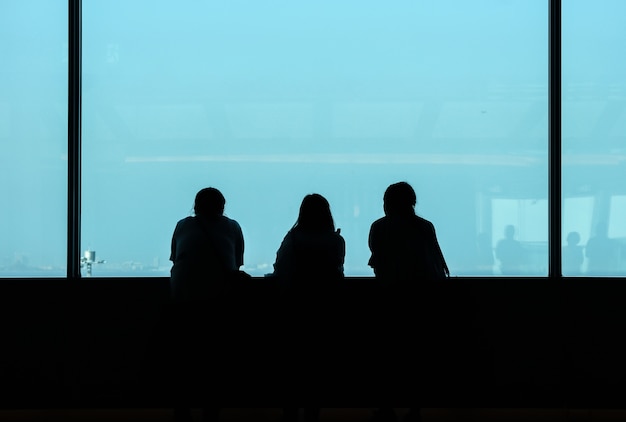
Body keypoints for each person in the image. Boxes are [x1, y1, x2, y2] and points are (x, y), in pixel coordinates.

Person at [368, 182, 450, 422]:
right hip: (421, 302)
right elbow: (437, 264)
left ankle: (386, 407)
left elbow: (377, 262)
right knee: (417, 358)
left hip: (389, 301)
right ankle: (415, 408)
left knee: (388, 359)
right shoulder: (425, 228)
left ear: (388, 204)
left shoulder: (380, 228)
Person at [169, 187, 244, 422]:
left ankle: (182, 409)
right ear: (222, 206)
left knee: (185, 360)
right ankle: (212, 410)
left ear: (196, 205)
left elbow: (176, 258)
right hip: (218, 302)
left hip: (184, 299)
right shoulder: (232, 227)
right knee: (215, 361)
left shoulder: (183, 226)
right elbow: (236, 265)